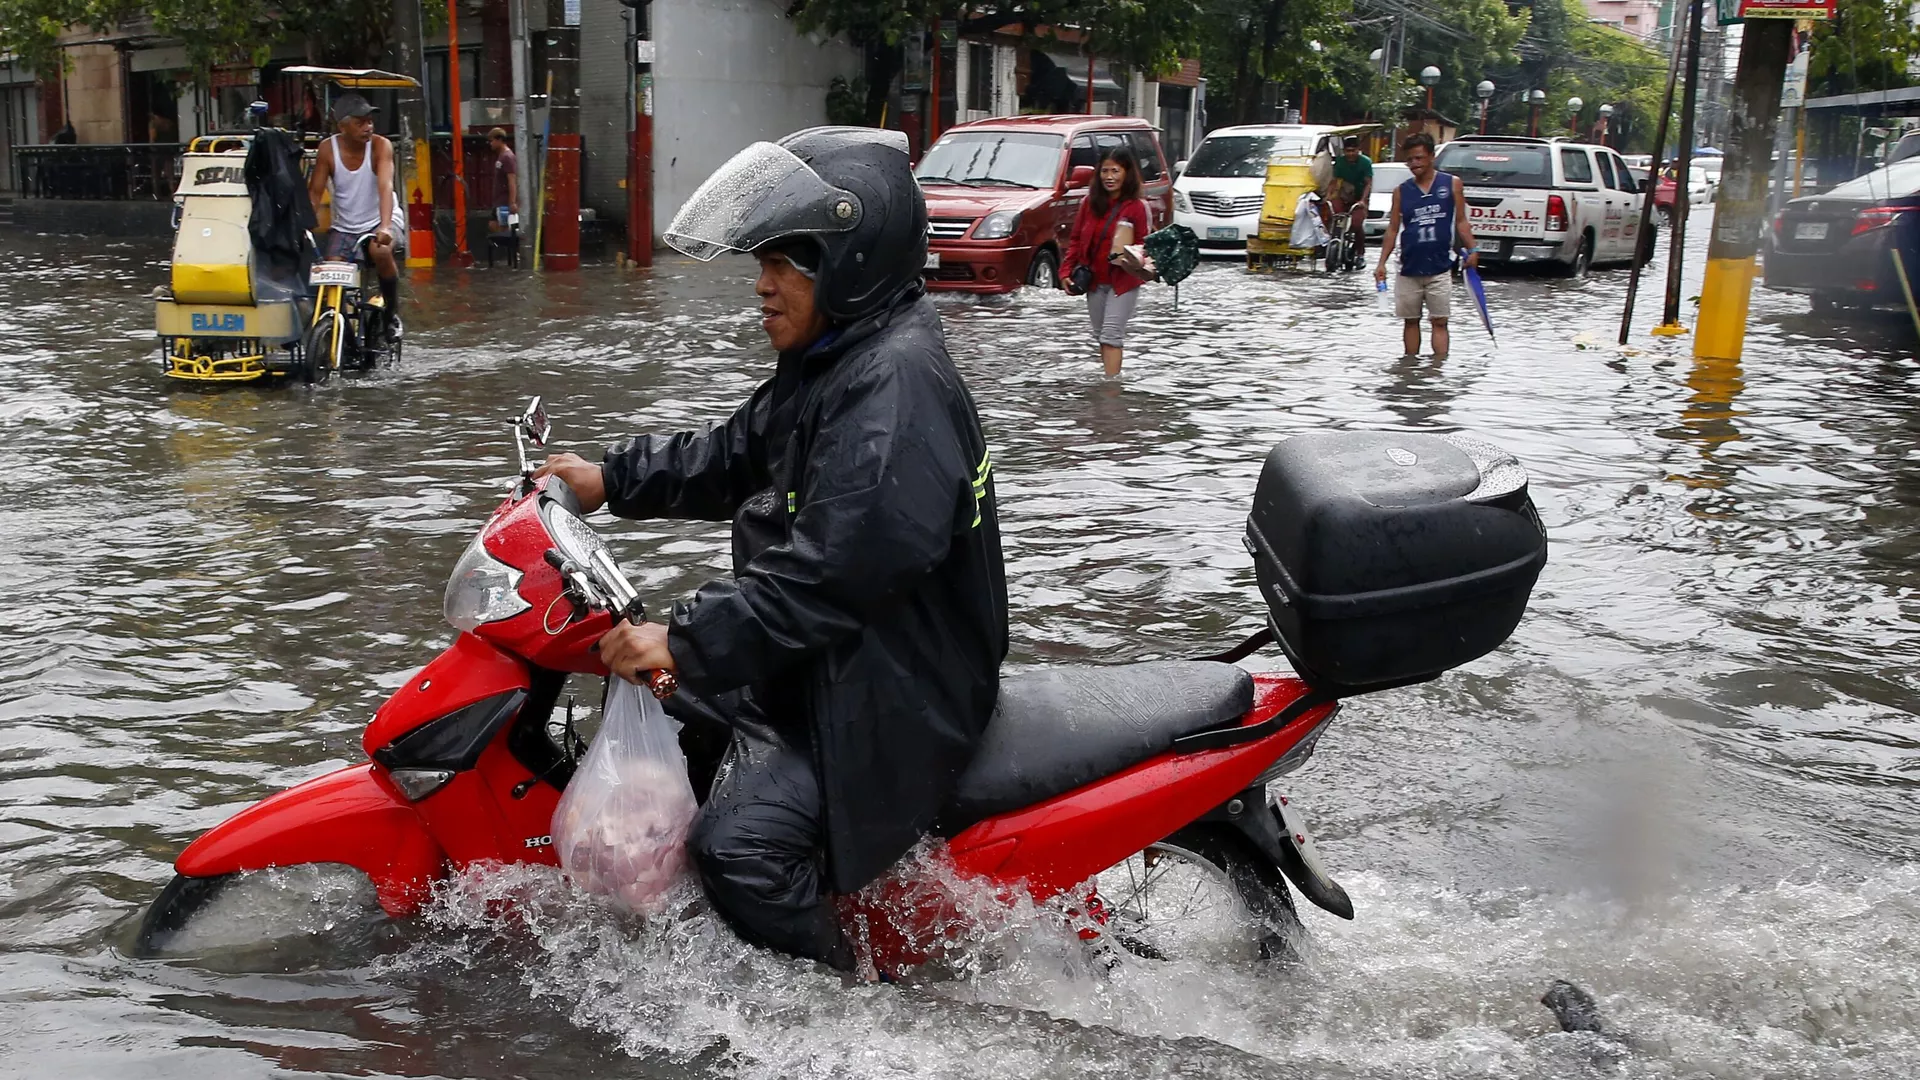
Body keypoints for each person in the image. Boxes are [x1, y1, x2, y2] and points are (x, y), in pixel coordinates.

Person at [533, 127, 1008, 975]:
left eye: (784, 263)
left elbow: (833, 572)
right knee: (662, 700)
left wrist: (684, 639)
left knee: (739, 851)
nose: (762, 286)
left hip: (888, 696)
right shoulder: (837, 360)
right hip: (832, 666)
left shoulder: (892, 389)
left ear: (850, 262)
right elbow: (734, 452)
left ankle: (848, 1003)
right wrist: (612, 477)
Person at [306, 93, 405, 339]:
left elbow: (385, 187)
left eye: (370, 121)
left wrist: (385, 227)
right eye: (360, 122)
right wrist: (303, 226)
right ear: (342, 126)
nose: (368, 127)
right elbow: (315, 192)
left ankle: (391, 313)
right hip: (345, 226)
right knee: (330, 273)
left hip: (381, 219)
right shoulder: (327, 149)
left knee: (380, 252)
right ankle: (341, 333)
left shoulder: (381, 146)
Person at [1373, 132, 1477, 361]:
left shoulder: (1451, 184)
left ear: (1431, 156)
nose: (1414, 164)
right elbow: (1392, 229)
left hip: (1440, 266)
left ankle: (1437, 369)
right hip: (1408, 267)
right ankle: (1410, 368)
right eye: (1410, 160)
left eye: (1419, 158)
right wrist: (1381, 263)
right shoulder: (1402, 191)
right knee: (1410, 321)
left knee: (1439, 320)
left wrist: (1473, 249)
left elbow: (1461, 221)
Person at [1061, 147, 1152, 377]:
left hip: (1123, 281)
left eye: (1116, 171)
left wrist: (1134, 258)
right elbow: (1075, 239)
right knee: (1101, 335)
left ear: (1127, 173)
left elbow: (1146, 243)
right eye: (1105, 171)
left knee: (1111, 334)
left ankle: (1111, 392)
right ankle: (1109, 380)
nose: (1109, 177)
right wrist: (1065, 272)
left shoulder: (1137, 207)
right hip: (1093, 280)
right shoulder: (1088, 203)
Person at [1328, 137, 1372, 258]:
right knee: (1334, 217)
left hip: (1360, 196)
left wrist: (1363, 200)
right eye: (1348, 151)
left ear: (1358, 150)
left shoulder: (1365, 162)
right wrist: (1329, 197)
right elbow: (1335, 181)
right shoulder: (1340, 162)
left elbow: (1368, 183)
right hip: (1344, 195)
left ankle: (1360, 254)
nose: (1350, 154)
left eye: (1353, 150)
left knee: (1357, 225)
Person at [487, 127, 519, 221]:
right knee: (493, 225)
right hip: (499, 201)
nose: (490, 144)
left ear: (499, 140)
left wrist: (512, 202)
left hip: (504, 202)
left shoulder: (507, 157)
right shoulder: (502, 156)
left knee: (502, 229)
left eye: (492, 141)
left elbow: (512, 180)